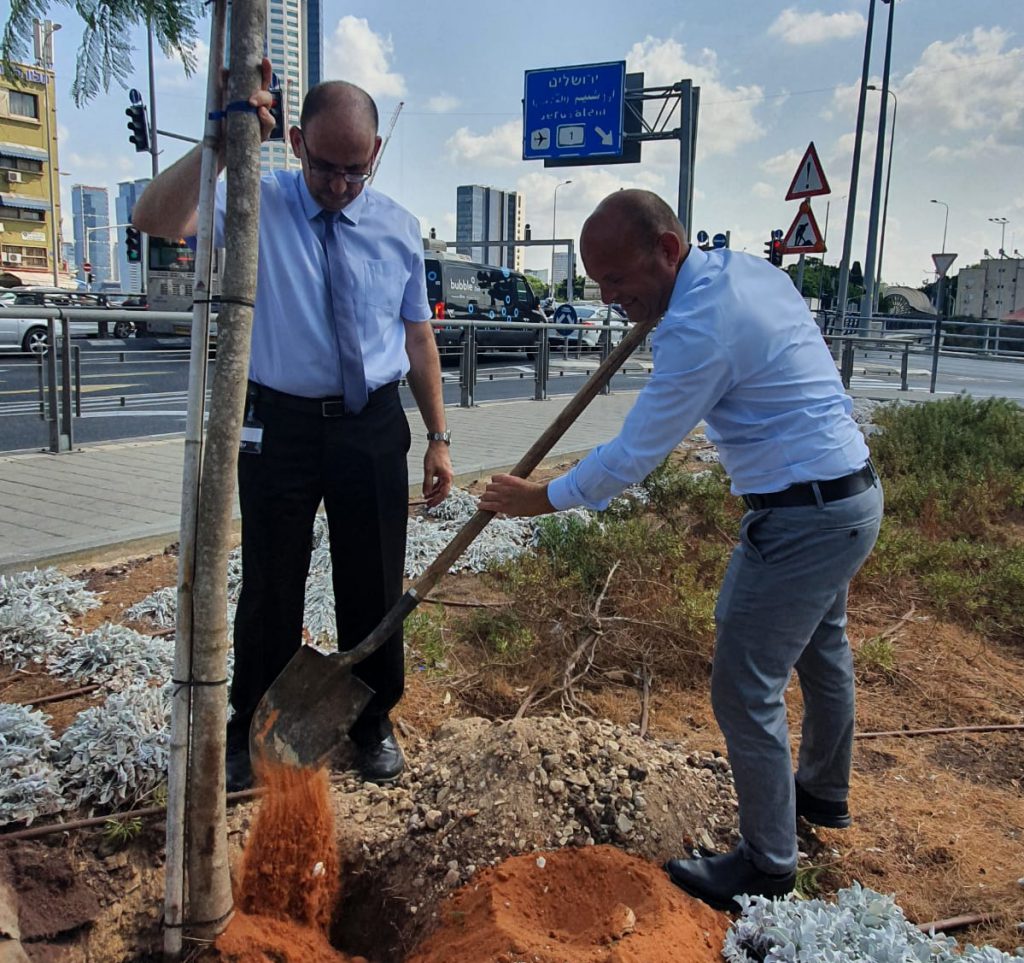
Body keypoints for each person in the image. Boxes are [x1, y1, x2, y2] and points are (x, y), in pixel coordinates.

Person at [480, 189, 883, 911]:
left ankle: (769, 864)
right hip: (849, 496)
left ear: (667, 251)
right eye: (599, 285)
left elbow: (635, 454)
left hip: (802, 518)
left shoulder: (701, 324)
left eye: (617, 280)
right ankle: (821, 792)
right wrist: (649, 306)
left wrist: (538, 497)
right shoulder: (744, 274)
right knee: (825, 648)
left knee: (743, 684)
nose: (608, 299)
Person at [133, 60, 453, 791]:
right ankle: (254, 727)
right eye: (325, 166)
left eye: (355, 170)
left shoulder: (399, 229)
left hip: (372, 425)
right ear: (299, 143)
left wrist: (438, 436)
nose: (340, 184)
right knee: (272, 580)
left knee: (372, 579)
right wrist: (222, 139)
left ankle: (372, 721)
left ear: (374, 154)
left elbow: (417, 340)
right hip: (277, 424)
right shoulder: (255, 200)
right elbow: (154, 220)